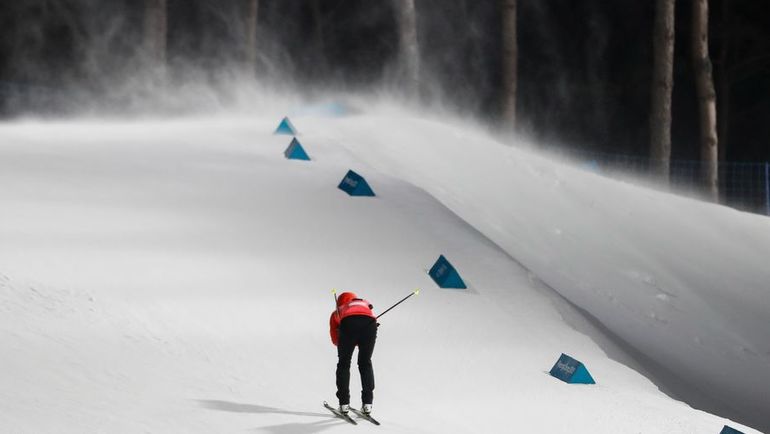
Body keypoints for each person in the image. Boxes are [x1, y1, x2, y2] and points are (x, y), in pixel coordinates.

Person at [329, 291, 377, 415]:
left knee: (344, 364)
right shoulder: (364, 304)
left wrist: (350, 340)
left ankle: (344, 404)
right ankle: (367, 404)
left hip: (348, 324)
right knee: (365, 363)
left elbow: (336, 340)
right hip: (370, 324)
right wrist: (359, 339)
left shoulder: (338, 311)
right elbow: (370, 317)